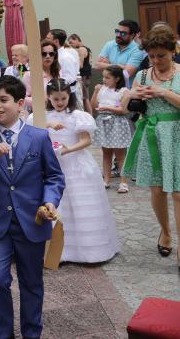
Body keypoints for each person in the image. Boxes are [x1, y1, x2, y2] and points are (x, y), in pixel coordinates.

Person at [0, 75, 64, 339]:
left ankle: (32, 333)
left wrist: (49, 202)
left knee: (31, 283)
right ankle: (3, 333)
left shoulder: (38, 137)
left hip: (32, 221)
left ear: (20, 103)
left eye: (3, 100)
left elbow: (54, 177)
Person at [32, 78, 120, 263]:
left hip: (74, 163)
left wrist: (66, 150)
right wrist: (48, 125)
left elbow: (86, 140)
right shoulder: (41, 116)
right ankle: (56, 251)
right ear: (49, 97)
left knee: (79, 206)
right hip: (49, 164)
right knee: (54, 202)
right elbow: (31, 133)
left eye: (63, 98)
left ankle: (83, 251)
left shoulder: (78, 115)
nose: (59, 103)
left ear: (68, 96)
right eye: (55, 99)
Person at [122, 27, 180, 269]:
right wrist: (133, 93)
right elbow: (125, 108)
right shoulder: (143, 75)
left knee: (178, 192)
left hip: (177, 134)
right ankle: (165, 232)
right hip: (152, 136)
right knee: (158, 191)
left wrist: (162, 92)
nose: (156, 61)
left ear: (173, 51)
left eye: (161, 56)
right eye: (152, 56)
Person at [91, 65, 132, 191]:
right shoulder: (102, 89)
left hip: (117, 123)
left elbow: (123, 110)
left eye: (107, 77)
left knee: (120, 154)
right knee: (106, 153)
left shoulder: (124, 91)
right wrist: (96, 91)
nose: (104, 80)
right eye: (103, 77)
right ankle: (106, 180)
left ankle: (123, 181)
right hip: (103, 122)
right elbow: (94, 106)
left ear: (117, 79)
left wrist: (108, 108)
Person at [95, 19, 147, 87]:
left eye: (123, 33)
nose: (118, 35)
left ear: (132, 35)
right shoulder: (109, 44)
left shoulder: (138, 50)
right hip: (109, 89)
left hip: (127, 92)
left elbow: (127, 74)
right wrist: (120, 66)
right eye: (117, 31)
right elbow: (97, 66)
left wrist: (107, 65)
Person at [23, 39, 61, 111]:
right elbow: (23, 98)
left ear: (55, 56)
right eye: (44, 54)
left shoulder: (58, 73)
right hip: (39, 113)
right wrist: (41, 100)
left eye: (51, 54)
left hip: (57, 112)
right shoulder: (29, 75)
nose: (48, 56)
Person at [69, 33, 93, 112]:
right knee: (86, 99)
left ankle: (87, 117)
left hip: (83, 77)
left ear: (76, 39)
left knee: (82, 99)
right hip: (87, 76)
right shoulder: (87, 49)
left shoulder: (81, 49)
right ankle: (90, 117)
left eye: (71, 42)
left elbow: (80, 65)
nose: (71, 45)